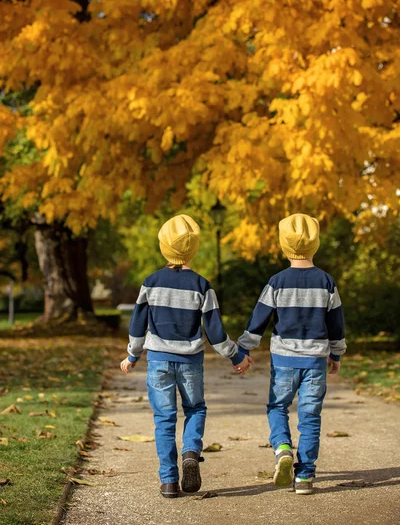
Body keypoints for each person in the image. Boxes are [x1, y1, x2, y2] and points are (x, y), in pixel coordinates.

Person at [120, 214, 253, 498]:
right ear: (194, 248)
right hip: (190, 361)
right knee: (194, 409)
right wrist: (236, 356)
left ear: (163, 247)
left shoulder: (151, 282)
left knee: (164, 418)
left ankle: (169, 481)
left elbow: (137, 325)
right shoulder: (202, 286)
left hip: (158, 361)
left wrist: (132, 355)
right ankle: (191, 451)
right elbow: (215, 332)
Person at [237, 213, 346, 495]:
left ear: (284, 245)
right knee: (310, 416)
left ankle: (283, 449)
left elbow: (259, 318)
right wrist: (337, 353)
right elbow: (336, 323)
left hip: (284, 359)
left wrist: (244, 348)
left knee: (277, 407)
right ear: (316, 243)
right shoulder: (326, 282)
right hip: (315, 360)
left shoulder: (277, 281)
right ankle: (305, 477)